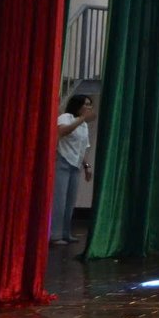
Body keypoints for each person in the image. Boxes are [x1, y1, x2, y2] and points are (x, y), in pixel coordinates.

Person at [50, 94, 95, 246]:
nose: (88, 107)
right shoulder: (66, 117)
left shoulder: (84, 125)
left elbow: (82, 148)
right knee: (60, 200)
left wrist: (87, 166)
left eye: (90, 104)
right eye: (86, 104)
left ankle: (65, 233)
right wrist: (81, 119)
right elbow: (62, 132)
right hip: (63, 162)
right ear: (77, 105)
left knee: (70, 201)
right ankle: (55, 235)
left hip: (75, 165)